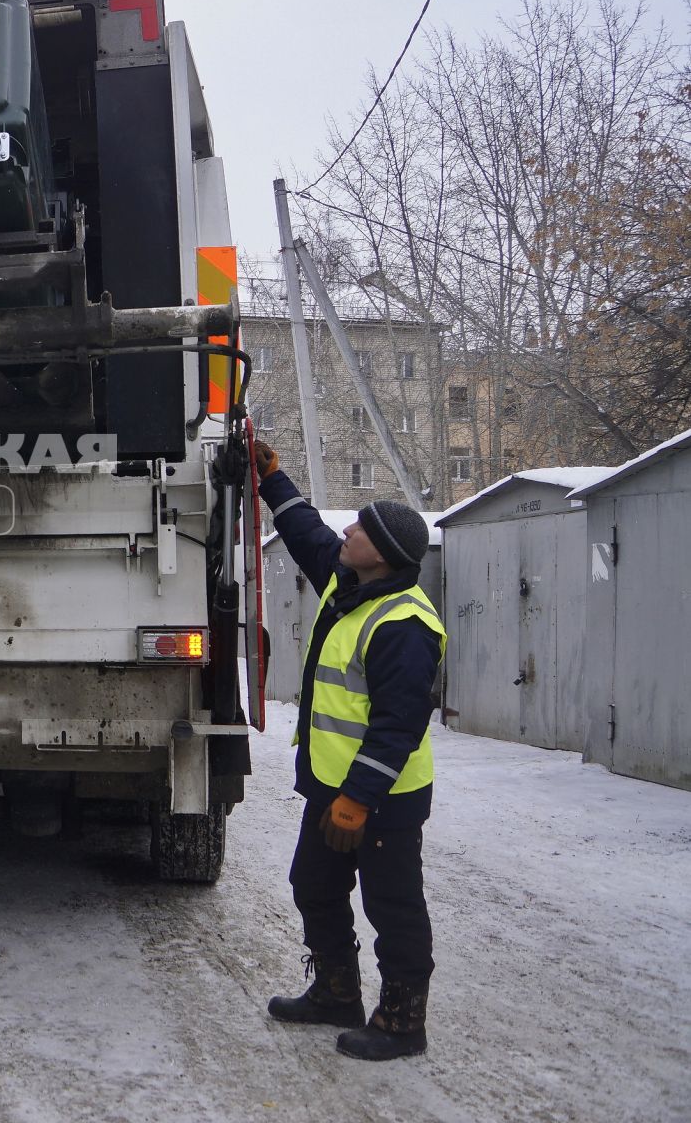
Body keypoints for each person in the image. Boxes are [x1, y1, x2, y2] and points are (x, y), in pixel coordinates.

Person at [253, 439, 444, 1060]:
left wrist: (359, 801)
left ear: (384, 555)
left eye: (361, 527)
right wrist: (274, 481)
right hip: (334, 791)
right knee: (313, 885)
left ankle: (401, 1022)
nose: (348, 530)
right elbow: (309, 533)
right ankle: (336, 992)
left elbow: (399, 726)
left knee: (393, 909)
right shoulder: (351, 585)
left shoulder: (403, 625)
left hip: (381, 799)